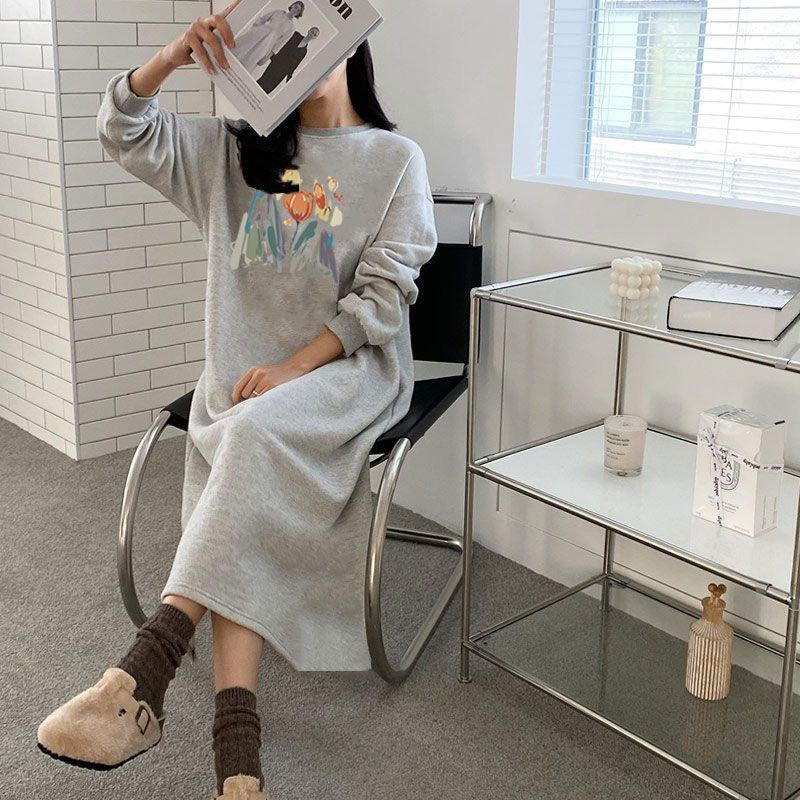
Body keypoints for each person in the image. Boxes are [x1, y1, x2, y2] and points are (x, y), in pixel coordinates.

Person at [35, 1, 437, 799]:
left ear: (345, 37)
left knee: (248, 444)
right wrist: (171, 58)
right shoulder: (229, 152)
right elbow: (120, 130)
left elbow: (385, 298)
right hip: (245, 386)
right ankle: (238, 767)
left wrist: (294, 367)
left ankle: (144, 670)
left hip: (348, 375)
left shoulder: (395, 159)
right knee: (246, 469)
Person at [233, 0, 304, 79]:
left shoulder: (291, 28)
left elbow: (279, 44)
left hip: (267, 44)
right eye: (295, 7)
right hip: (257, 33)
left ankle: (235, 76)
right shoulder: (278, 12)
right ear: (292, 6)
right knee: (241, 48)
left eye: (298, 10)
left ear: (299, 14)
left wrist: (266, 58)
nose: (295, 10)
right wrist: (254, 28)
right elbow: (262, 19)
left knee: (252, 58)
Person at [258, 26, 319, 95]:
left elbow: (295, 65)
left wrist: (289, 78)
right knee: (263, 80)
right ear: (309, 31)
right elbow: (282, 43)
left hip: (283, 72)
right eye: (312, 32)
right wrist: (271, 55)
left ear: (315, 38)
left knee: (268, 89)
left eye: (315, 35)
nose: (312, 35)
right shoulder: (296, 35)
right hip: (276, 63)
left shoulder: (304, 51)